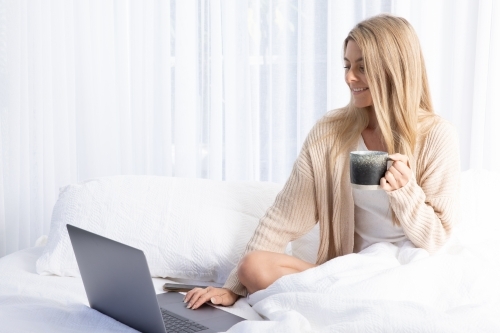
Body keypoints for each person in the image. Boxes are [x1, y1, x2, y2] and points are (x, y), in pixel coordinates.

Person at [184, 13, 460, 310]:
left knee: (390, 291)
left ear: (393, 69)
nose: (349, 77)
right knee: (252, 267)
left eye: (362, 68)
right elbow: (283, 218)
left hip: (407, 270)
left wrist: (406, 192)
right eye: (347, 65)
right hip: (350, 272)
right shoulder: (331, 132)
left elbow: (435, 239)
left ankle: (350, 305)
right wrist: (233, 288)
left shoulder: (436, 135)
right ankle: (349, 304)